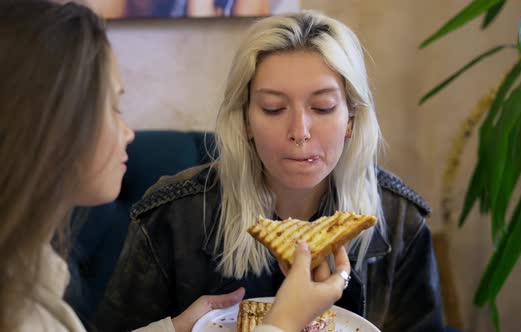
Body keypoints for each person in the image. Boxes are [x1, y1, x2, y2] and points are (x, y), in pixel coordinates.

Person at [0, 2, 348, 332]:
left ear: (353, 118)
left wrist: (173, 328)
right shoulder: (19, 311)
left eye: (323, 106)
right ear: (49, 129)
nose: (128, 131)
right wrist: (283, 322)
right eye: (112, 106)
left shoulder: (30, 273)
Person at [96, 10, 444, 332]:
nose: (300, 131)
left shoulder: (401, 221)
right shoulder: (172, 216)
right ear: (246, 118)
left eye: (323, 107)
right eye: (273, 108)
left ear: (351, 119)